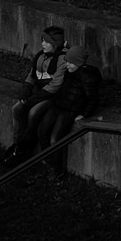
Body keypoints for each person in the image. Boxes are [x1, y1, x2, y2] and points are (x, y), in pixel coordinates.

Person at [4, 25, 69, 164]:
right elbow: (31, 76)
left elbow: (54, 87)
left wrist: (30, 100)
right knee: (16, 109)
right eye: (42, 40)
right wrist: (25, 92)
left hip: (51, 97)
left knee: (33, 113)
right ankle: (17, 145)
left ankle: (26, 146)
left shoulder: (62, 59)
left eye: (46, 41)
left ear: (55, 43)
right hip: (38, 94)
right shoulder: (40, 56)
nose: (42, 44)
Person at [35, 46, 104, 176]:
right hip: (58, 105)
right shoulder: (69, 72)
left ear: (79, 62)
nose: (67, 65)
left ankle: (57, 171)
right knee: (42, 130)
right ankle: (47, 161)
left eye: (70, 62)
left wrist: (85, 114)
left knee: (55, 139)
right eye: (66, 62)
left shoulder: (87, 77)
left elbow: (93, 98)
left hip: (69, 110)